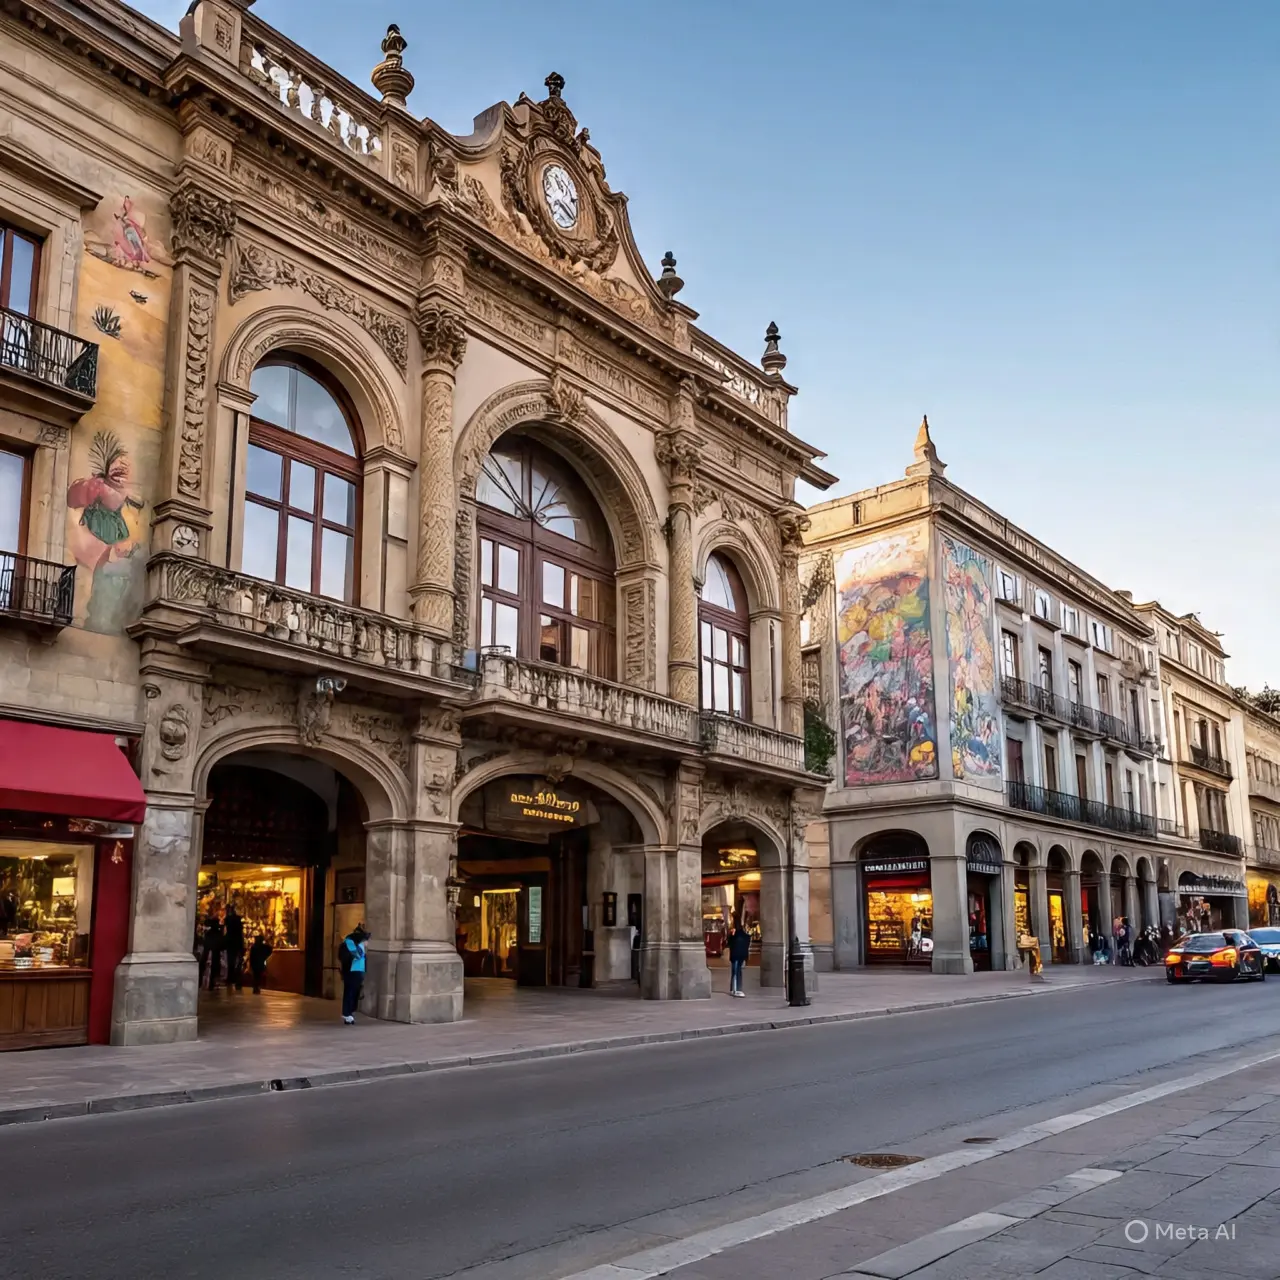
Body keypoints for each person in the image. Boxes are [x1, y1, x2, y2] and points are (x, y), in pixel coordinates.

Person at [338, 924, 370, 1024]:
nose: (367, 943)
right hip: (351, 971)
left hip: (357, 971)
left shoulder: (358, 945)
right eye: (366, 940)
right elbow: (355, 956)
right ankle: (347, 1014)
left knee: (354, 992)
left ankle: (349, 1013)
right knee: (350, 992)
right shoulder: (350, 943)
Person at [726, 916, 751, 998]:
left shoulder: (734, 936)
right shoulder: (745, 936)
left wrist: (731, 935)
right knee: (738, 972)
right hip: (741, 956)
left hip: (735, 956)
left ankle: (734, 989)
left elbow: (729, 943)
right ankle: (737, 989)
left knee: (735, 972)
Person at [223, 902, 246, 992]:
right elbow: (240, 933)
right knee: (238, 963)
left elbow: (226, 931)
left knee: (231, 962)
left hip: (230, 943)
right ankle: (237, 981)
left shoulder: (228, 919)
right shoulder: (237, 920)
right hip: (237, 943)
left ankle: (231, 978)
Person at [200, 912, 224, 991]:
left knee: (205, 966)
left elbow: (205, 943)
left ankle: (202, 982)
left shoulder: (209, 933)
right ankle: (210, 984)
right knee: (213, 967)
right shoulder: (217, 933)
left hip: (209, 952)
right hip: (214, 952)